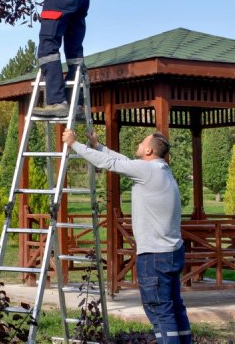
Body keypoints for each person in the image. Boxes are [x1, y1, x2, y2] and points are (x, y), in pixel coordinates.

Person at [61, 127, 192, 344]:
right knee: (174, 308)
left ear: (149, 150)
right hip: (171, 253)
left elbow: (110, 164)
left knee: (160, 311)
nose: (138, 145)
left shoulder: (148, 171)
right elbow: (123, 162)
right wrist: (98, 146)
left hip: (154, 257)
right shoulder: (161, 170)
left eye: (142, 143)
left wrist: (74, 144)